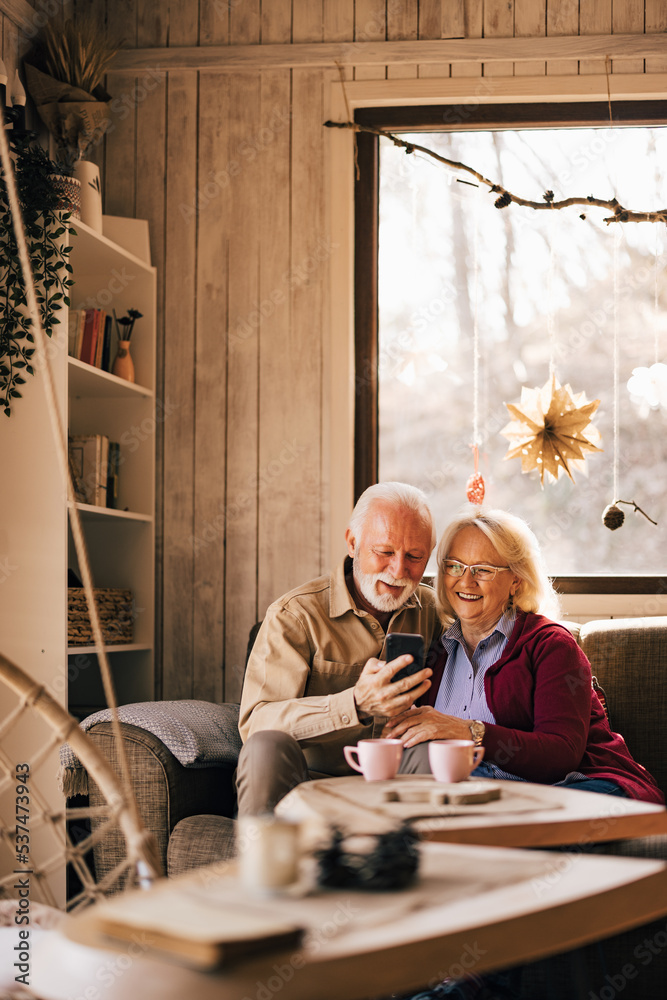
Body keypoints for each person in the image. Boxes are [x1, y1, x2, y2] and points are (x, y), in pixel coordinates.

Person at [383, 506, 663, 803]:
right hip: (486, 796)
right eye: (455, 566)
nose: (465, 582)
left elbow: (561, 754)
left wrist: (469, 731)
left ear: (516, 579)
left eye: (484, 570)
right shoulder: (436, 651)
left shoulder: (551, 645)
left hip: (584, 785)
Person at [236, 481, 441, 815]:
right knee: (266, 745)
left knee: (435, 750)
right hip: (308, 784)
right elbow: (257, 723)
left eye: (415, 557)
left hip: (398, 785)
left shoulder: (431, 610)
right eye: (385, 552)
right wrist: (354, 703)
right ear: (352, 543)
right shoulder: (295, 616)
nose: (399, 570)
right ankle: (263, 862)